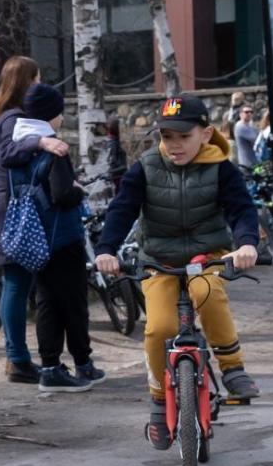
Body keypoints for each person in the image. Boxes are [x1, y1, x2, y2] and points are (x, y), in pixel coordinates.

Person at [94, 94, 261, 448]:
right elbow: (122, 209)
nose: (174, 144)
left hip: (206, 257)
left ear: (206, 134)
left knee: (207, 293)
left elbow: (241, 209)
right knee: (159, 329)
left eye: (184, 136)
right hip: (161, 261)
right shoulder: (147, 166)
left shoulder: (221, 167)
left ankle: (232, 368)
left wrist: (247, 244)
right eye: (167, 136)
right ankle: (158, 399)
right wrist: (106, 249)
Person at [12, 83, 102, 391]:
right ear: (51, 115)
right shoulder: (54, 148)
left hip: (35, 237)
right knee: (73, 302)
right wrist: (78, 191)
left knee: (47, 302)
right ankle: (82, 364)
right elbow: (62, 195)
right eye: (60, 113)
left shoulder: (19, 146)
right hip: (61, 235)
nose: (62, 118)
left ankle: (49, 364)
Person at [0, 54, 49, 384]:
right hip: (13, 206)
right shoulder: (13, 117)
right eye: (36, 80)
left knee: (17, 282)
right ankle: (17, 359)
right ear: (25, 82)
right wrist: (40, 140)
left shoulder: (1, 114)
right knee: (16, 283)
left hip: (6, 203)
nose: (39, 86)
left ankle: (17, 357)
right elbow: (10, 155)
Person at [104, 117, 129, 187]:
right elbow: (113, 161)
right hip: (117, 177)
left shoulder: (114, 141)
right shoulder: (113, 143)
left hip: (117, 175)